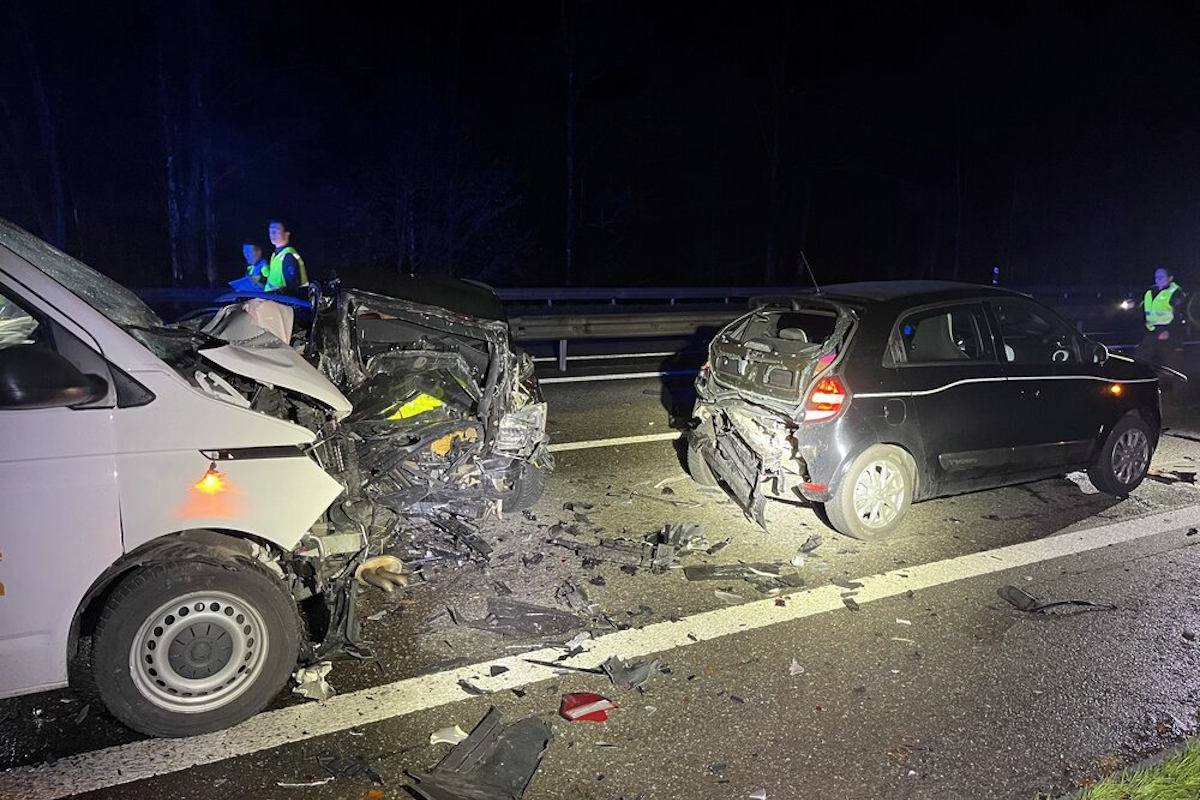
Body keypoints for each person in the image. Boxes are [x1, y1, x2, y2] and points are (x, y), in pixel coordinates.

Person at [1135, 267, 1185, 366]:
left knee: (1170, 363)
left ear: (1170, 278)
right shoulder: (1150, 291)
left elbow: (1180, 315)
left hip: (1168, 333)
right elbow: (1145, 311)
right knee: (1140, 358)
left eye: (1161, 277)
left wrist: (1169, 331)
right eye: (1156, 277)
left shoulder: (1176, 293)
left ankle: (1171, 380)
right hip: (1152, 331)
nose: (1158, 279)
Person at [263, 220, 308, 292]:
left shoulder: (288, 256)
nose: (272, 234)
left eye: (276, 231)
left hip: (280, 301)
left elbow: (292, 289)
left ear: (287, 234)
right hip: (272, 299)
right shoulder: (275, 254)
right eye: (270, 231)